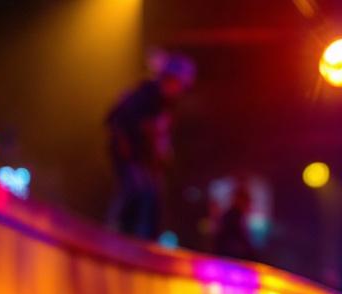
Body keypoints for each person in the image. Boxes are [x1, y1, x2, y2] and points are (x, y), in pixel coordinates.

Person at [105, 53, 194, 240]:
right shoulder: (146, 94)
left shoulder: (166, 104)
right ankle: (120, 234)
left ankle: (147, 240)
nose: (177, 90)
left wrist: (161, 153)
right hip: (130, 154)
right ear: (168, 78)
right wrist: (125, 146)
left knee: (154, 195)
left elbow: (160, 136)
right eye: (176, 83)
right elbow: (116, 119)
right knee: (136, 190)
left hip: (144, 157)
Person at [213, 183, 257, 260]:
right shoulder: (233, 216)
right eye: (247, 201)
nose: (249, 205)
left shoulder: (235, 215)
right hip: (230, 257)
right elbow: (236, 237)